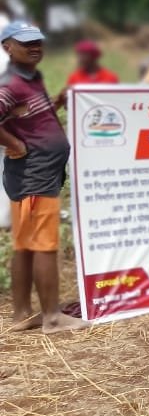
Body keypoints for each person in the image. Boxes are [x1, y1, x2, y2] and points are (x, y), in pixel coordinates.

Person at [0, 22, 87, 333]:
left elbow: (28, 116)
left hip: (34, 174)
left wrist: (58, 104)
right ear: (7, 47)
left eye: (38, 41)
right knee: (44, 245)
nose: (35, 47)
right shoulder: (10, 84)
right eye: (26, 43)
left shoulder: (31, 78)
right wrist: (14, 145)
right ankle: (52, 316)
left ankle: (22, 315)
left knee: (25, 245)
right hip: (33, 175)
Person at [56, 40, 119, 109]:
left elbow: (115, 101)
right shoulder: (74, 76)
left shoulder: (110, 76)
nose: (80, 59)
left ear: (94, 57)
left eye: (84, 55)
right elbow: (69, 104)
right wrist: (66, 98)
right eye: (79, 55)